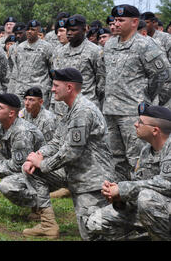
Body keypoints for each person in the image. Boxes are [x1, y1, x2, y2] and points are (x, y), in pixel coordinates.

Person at [22, 68, 116, 240]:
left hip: (92, 182)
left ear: (70, 87)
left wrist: (42, 164)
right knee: (32, 171)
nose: (52, 89)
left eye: (56, 85)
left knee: (93, 233)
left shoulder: (83, 111)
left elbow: (72, 151)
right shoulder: (70, 109)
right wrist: (38, 156)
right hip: (75, 175)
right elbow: (57, 141)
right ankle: (48, 225)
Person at [103, 4, 171, 181]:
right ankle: (119, 200)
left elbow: (162, 73)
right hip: (111, 110)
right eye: (115, 20)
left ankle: (140, 199)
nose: (116, 24)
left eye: (121, 20)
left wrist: (148, 97)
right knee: (116, 159)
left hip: (134, 112)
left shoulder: (145, 44)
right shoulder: (110, 45)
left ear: (134, 22)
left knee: (137, 159)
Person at [86, 103, 171, 241]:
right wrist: (119, 198)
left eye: (140, 122)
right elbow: (138, 185)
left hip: (161, 207)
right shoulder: (146, 151)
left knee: (146, 198)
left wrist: (123, 189)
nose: (135, 125)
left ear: (155, 130)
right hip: (153, 210)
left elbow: (167, 184)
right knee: (96, 221)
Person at [50, 14, 105, 117]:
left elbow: (101, 83)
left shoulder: (95, 51)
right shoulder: (60, 52)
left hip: (85, 107)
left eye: (74, 30)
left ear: (84, 30)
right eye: (68, 30)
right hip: (62, 109)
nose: (69, 33)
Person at [20, 86, 70, 199]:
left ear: (41, 102)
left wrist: (35, 159)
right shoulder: (24, 113)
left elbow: (52, 147)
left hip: (49, 160)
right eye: (26, 99)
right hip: (32, 154)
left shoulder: (48, 120)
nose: (27, 103)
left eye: (31, 100)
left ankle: (62, 187)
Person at [8, 20, 53, 109]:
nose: (29, 31)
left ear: (38, 31)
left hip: (39, 91)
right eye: (27, 29)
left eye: (33, 29)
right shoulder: (20, 48)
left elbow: (52, 69)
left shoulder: (47, 47)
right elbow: (15, 70)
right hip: (22, 92)